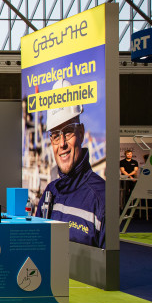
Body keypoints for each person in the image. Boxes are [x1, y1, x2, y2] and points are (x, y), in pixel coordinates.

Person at [34, 79, 106, 247]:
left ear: (81, 133)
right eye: (55, 136)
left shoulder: (101, 198)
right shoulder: (49, 193)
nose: (62, 144)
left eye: (67, 132)